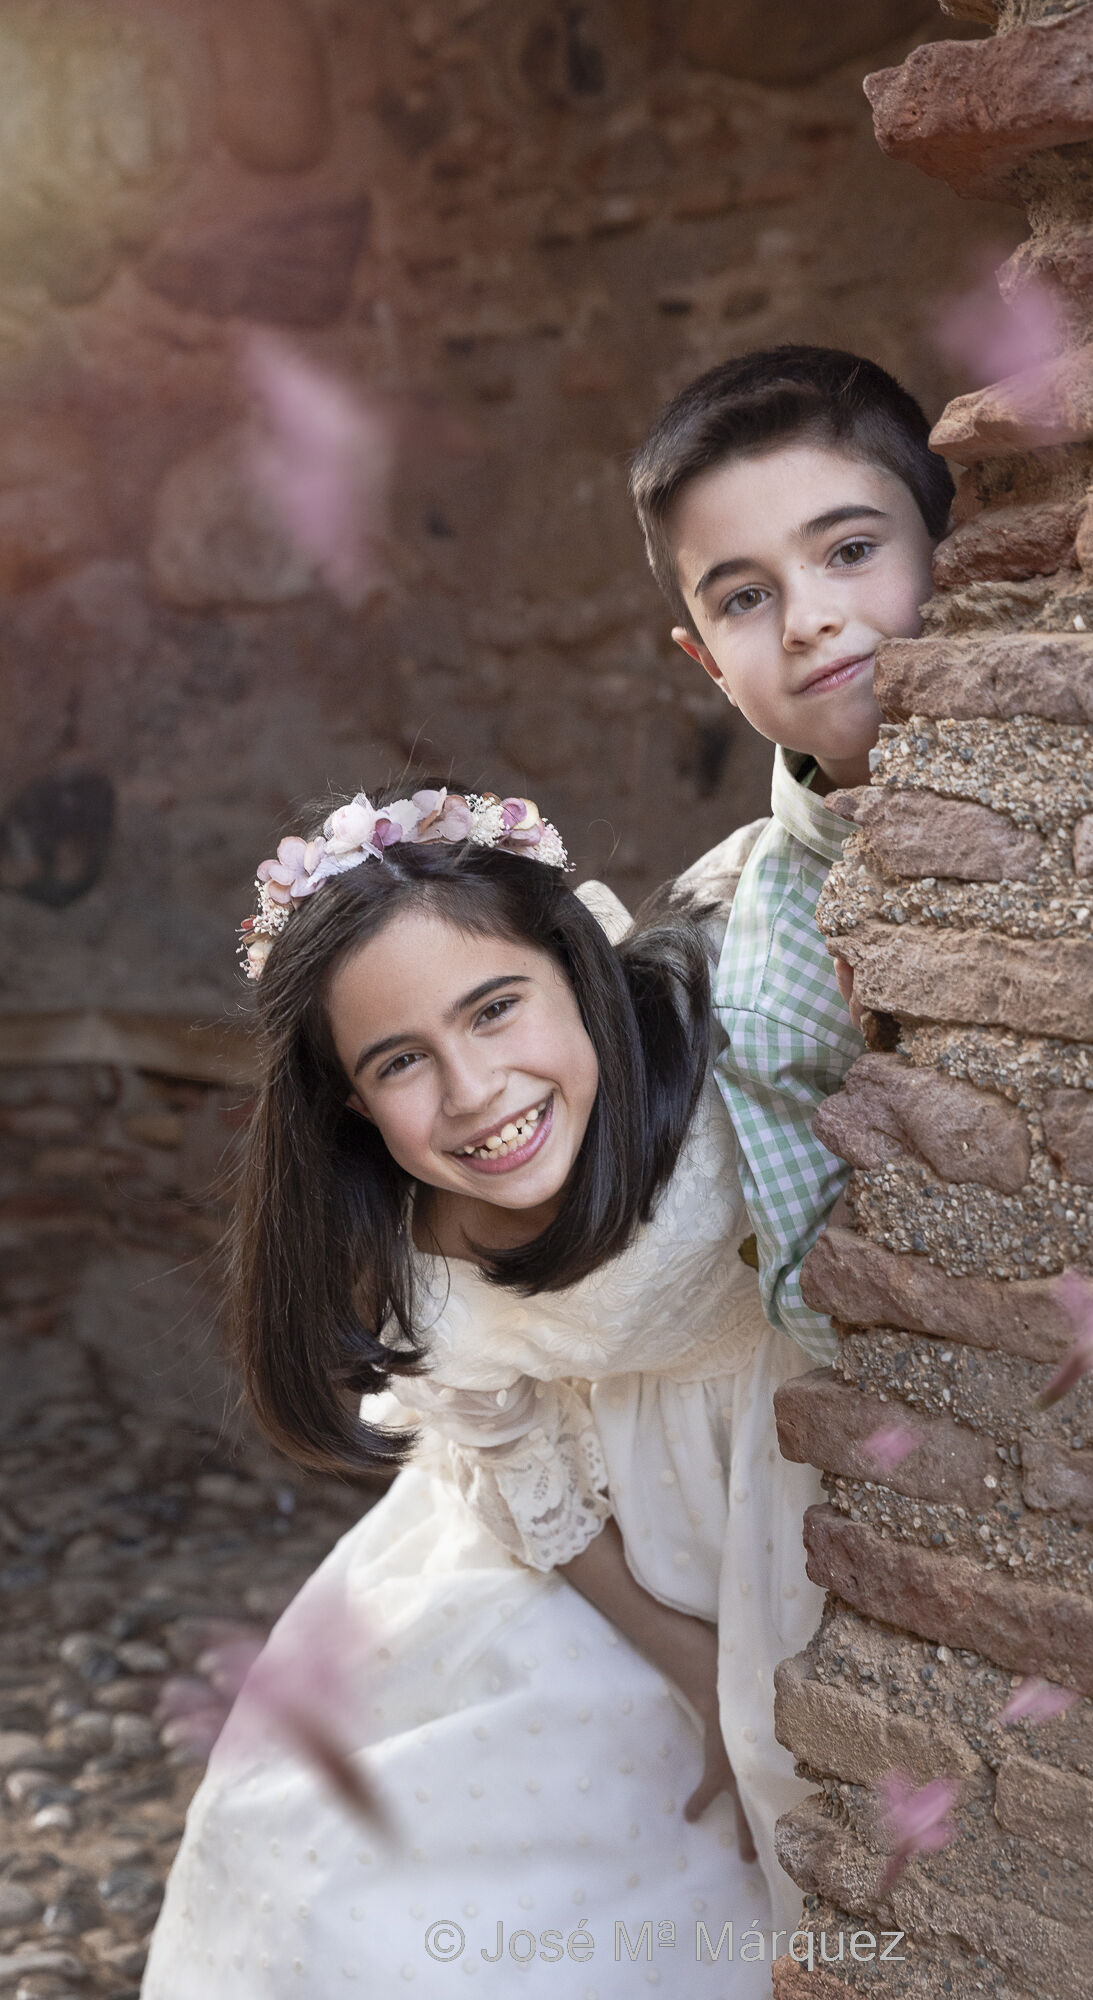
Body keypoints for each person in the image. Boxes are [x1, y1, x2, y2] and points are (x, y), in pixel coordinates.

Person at [141, 785, 822, 2000]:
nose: (473, 1092)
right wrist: (694, 1671)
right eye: (402, 1061)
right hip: (607, 1552)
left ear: (578, 968)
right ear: (352, 1099)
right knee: (325, 1863)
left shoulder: (714, 1027)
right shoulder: (428, 1260)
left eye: (495, 1007)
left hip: (778, 1487)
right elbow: (523, 1478)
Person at [630, 345, 953, 1366]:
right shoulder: (767, 972)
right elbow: (814, 1293)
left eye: (849, 551)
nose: (809, 617)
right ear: (709, 665)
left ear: (956, 549)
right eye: (742, 598)